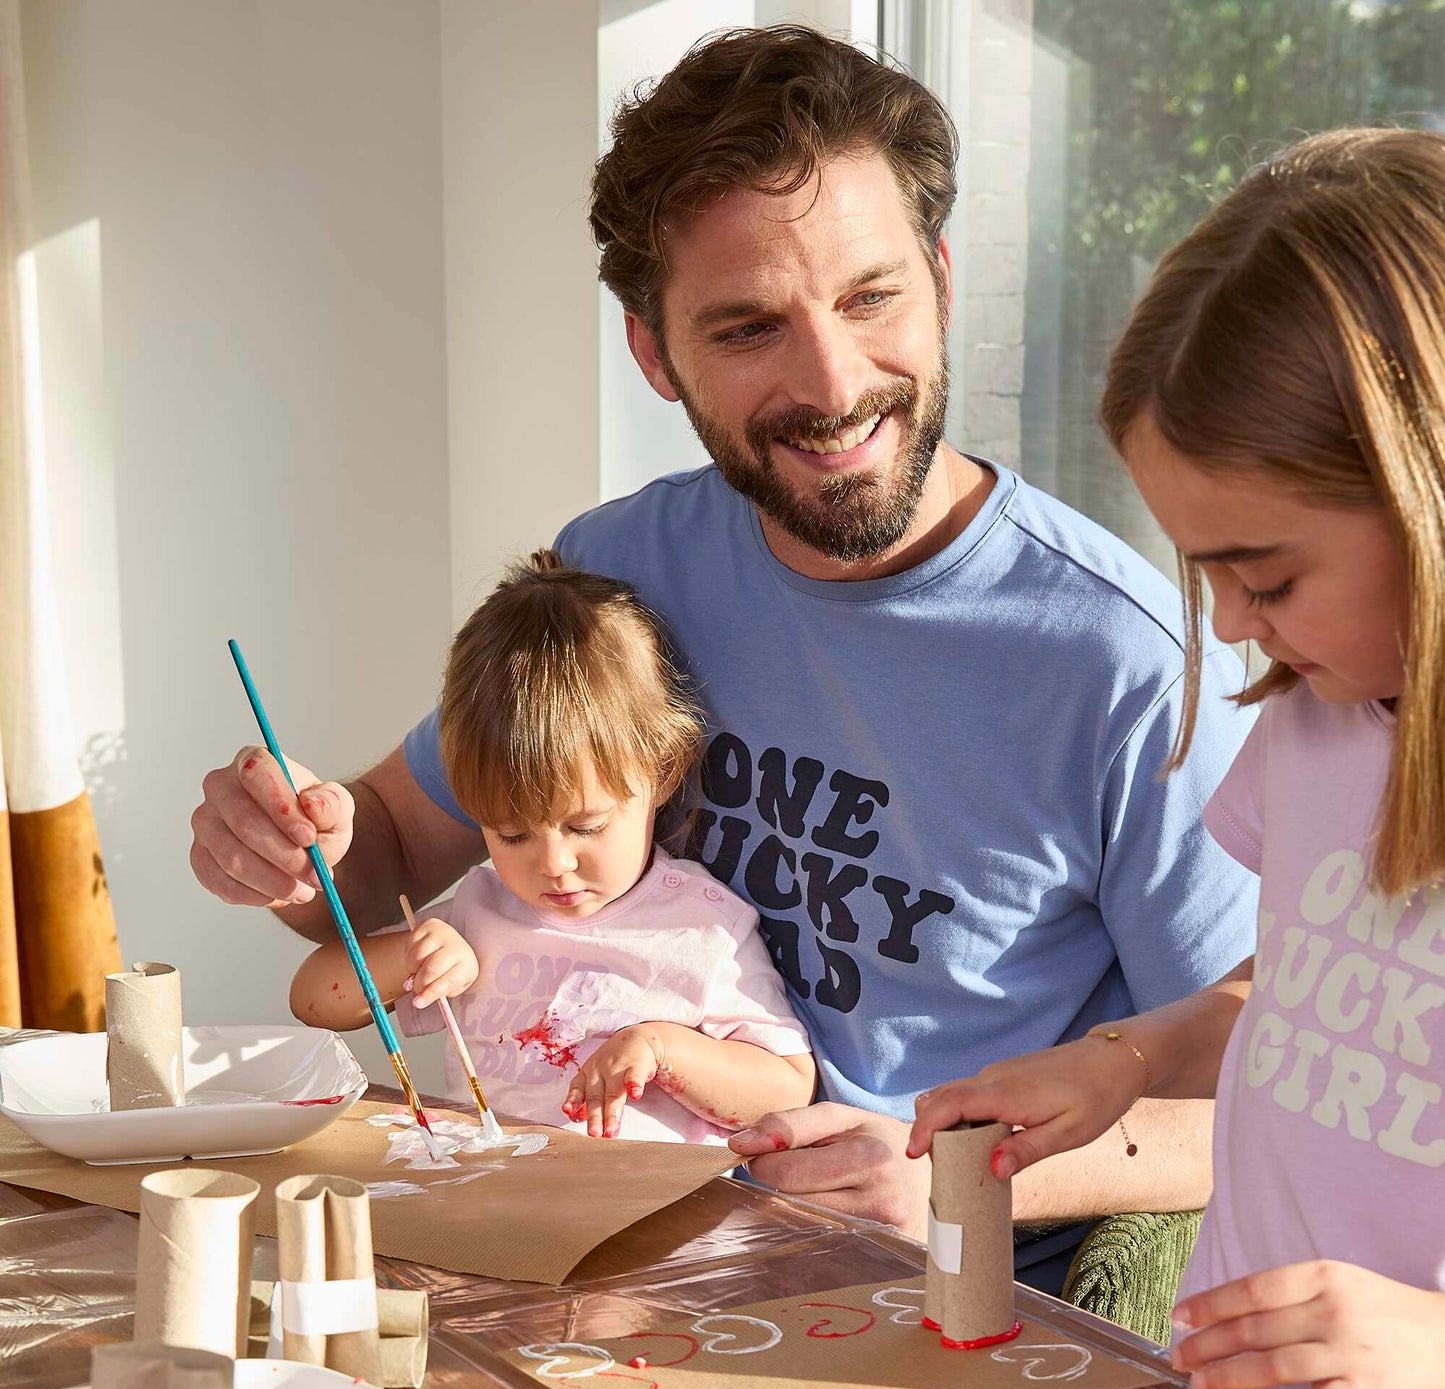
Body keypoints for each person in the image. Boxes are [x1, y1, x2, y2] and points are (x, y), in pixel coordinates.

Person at [191, 26, 1258, 1290]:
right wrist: (285, 842)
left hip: (925, 1287)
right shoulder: (617, 571)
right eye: (749, 328)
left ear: (941, 278)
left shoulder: (1126, 661)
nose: (834, 382)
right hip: (590, 1239)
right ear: (655, 355)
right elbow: (381, 854)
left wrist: (961, 1173)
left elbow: (1269, 1094)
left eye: (871, 298)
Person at [911, 129, 1445, 1389]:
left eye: (1262, 575)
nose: (1231, 624)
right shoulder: (1323, 721)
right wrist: (1123, 1057)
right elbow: (1303, 989)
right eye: (1202, 568)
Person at [291, 550, 815, 1142]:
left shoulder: (703, 928)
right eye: (510, 834)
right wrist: (410, 955)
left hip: (651, 1222)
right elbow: (311, 1000)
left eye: (586, 826)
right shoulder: (481, 911)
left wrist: (663, 1049)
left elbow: (788, 1088)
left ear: (664, 772)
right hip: (494, 1209)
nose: (553, 865)